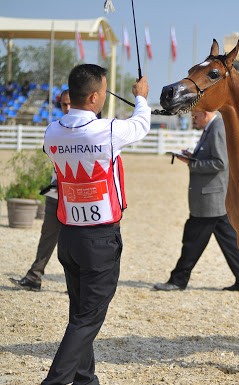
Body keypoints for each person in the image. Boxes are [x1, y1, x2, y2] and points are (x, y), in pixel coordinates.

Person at [40, 64, 151, 385]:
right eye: (103, 91)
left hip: (69, 235)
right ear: (93, 97)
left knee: (79, 313)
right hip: (100, 238)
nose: (104, 96)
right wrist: (141, 97)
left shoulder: (52, 131)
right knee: (88, 319)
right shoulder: (108, 131)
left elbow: (54, 149)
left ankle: (86, 378)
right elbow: (141, 125)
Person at [154, 110, 239, 292]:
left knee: (192, 241)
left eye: (195, 116)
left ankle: (178, 280)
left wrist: (192, 163)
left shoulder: (217, 128)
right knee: (229, 241)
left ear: (205, 114)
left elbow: (220, 162)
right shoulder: (212, 127)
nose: (193, 119)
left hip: (210, 198)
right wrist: (192, 156)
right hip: (213, 197)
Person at [9, 90, 71, 291]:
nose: (67, 108)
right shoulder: (56, 128)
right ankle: (34, 276)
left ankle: (77, 284)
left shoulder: (90, 129)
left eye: (70, 104)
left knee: (76, 242)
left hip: (76, 196)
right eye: (64, 105)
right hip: (55, 192)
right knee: (47, 236)